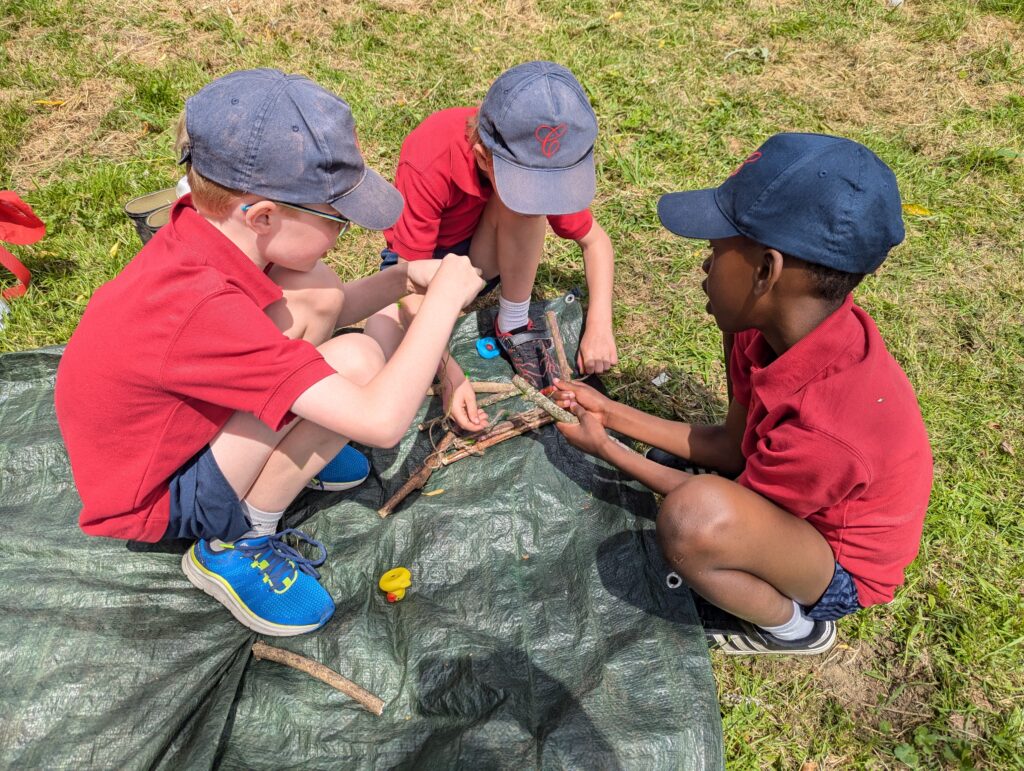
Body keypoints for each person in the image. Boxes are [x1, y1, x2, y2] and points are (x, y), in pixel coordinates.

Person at [55, 69, 484, 637]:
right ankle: (237, 540)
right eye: (337, 221)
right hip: (156, 494)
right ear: (261, 216)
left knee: (319, 288)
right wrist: (442, 306)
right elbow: (382, 424)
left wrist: (404, 278)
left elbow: (333, 301)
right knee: (357, 362)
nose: (346, 234)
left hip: (166, 439)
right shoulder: (204, 311)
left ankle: (290, 451)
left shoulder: (199, 233)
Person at [554, 133, 933, 655]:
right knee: (691, 491)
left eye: (714, 251)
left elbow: (717, 513)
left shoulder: (827, 427)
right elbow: (735, 446)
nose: (704, 268)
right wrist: (611, 413)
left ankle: (794, 629)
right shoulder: (758, 330)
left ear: (765, 272)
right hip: (782, 511)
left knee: (690, 525)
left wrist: (606, 450)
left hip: (836, 566)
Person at [365, 61, 617, 432]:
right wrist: (450, 372)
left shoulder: (541, 162)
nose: (545, 198)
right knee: (382, 329)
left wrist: (599, 324)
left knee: (523, 210)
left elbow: (596, 242)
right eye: (530, 186)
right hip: (421, 269)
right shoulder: (431, 154)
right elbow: (405, 281)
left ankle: (513, 321)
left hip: (478, 263)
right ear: (483, 157)